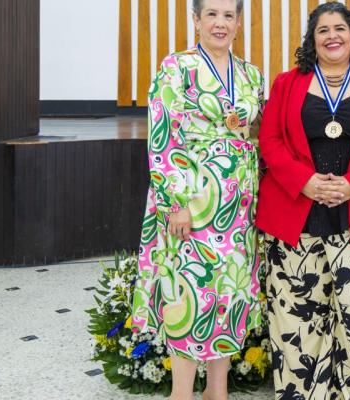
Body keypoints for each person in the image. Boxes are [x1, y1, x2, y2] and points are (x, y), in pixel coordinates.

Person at [255, 2, 350, 399]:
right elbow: (269, 140)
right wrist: (304, 182)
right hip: (296, 222)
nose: (332, 36)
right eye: (322, 30)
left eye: (340, 28)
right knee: (296, 329)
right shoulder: (287, 83)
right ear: (312, 39)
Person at [130, 1, 264, 399]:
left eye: (228, 16)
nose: (220, 23)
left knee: (229, 294)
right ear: (196, 20)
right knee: (187, 293)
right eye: (212, 14)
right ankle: (183, 392)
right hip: (192, 203)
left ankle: (217, 391)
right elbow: (163, 138)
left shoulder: (251, 74)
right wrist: (175, 203)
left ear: (238, 23)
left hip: (237, 206)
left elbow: (256, 132)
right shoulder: (177, 67)